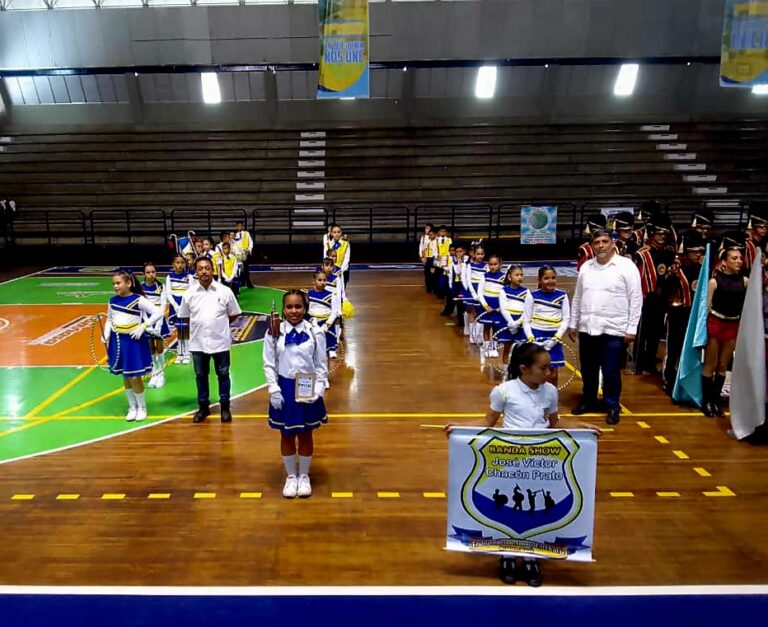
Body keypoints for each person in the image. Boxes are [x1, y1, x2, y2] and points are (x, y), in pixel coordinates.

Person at [445, 342, 601, 587]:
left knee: (534, 509)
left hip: (539, 461)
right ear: (523, 369)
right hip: (510, 461)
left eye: (549, 368)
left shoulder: (550, 392)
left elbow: (555, 423)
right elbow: (489, 421)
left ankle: (531, 557)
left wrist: (582, 428)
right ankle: (507, 556)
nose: (549, 373)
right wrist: (459, 427)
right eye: (544, 368)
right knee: (510, 510)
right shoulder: (504, 391)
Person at [568, 226, 643, 425]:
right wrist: (573, 323)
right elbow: (578, 298)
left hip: (614, 329)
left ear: (613, 243)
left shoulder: (626, 267)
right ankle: (589, 400)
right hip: (588, 327)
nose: (601, 246)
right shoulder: (586, 268)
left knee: (610, 370)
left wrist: (631, 328)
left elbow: (636, 299)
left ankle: (612, 405)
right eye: (596, 243)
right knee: (588, 368)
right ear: (591, 246)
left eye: (604, 242)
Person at [263, 290, 328, 499]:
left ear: (305, 308)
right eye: (289, 307)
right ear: (283, 309)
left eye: (298, 306)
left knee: (306, 433)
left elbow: (321, 364)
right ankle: (291, 476)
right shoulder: (274, 332)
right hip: (284, 388)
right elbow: (269, 363)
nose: (294, 311)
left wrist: (318, 390)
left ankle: (304, 476)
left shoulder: (315, 332)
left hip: (307, 386)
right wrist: (273, 388)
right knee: (287, 434)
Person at [178, 257, 242, 424]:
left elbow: (234, 314)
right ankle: (203, 407)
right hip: (198, 343)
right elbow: (185, 317)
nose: (204, 271)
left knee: (223, 374)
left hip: (220, 342)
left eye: (207, 268)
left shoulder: (225, 291)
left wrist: (218, 326)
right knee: (200, 375)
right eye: (200, 268)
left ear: (212, 269)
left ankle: (225, 407)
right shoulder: (189, 294)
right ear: (196, 271)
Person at [103, 270, 162, 422]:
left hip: (134, 342)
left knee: (135, 376)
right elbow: (109, 319)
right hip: (118, 341)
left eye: (118, 283)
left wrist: (143, 326)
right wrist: (106, 334)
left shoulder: (138, 299)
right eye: (114, 284)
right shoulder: (112, 301)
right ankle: (132, 406)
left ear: (128, 283)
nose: (115, 286)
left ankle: (142, 407)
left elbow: (157, 312)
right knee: (126, 375)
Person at [701, 235, 748, 417]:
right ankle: (706, 402)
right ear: (724, 261)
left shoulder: (744, 281)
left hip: (733, 324)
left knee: (723, 365)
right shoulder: (715, 281)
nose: (738, 261)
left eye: (740, 258)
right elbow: (707, 306)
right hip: (716, 322)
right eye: (734, 258)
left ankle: (715, 400)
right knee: (710, 364)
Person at [661, 233, 705, 396]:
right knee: (673, 348)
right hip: (678, 313)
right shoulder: (676, 271)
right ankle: (669, 379)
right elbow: (664, 291)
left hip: (696, 315)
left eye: (700, 252)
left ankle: (687, 379)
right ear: (686, 253)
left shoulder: (704, 270)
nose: (698, 255)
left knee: (694, 349)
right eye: (694, 252)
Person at [633, 214, 676, 375]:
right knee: (642, 331)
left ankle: (650, 362)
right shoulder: (642, 254)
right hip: (646, 298)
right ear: (651, 234)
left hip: (662, 298)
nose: (662, 237)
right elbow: (639, 278)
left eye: (664, 234)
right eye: (659, 234)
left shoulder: (667, 252)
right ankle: (638, 363)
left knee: (656, 331)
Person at [527, 265, 570, 387]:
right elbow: (526, 321)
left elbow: (566, 319)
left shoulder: (562, 295)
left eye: (553, 277)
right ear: (539, 280)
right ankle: (536, 399)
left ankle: (551, 400)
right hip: (537, 336)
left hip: (554, 337)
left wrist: (555, 339)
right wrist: (532, 339)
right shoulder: (532, 295)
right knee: (536, 370)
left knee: (552, 373)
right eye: (546, 278)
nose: (550, 281)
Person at [141, 262, 171, 389]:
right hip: (147, 321)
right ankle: (154, 373)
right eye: (148, 272)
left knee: (159, 348)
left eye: (153, 272)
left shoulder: (161, 287)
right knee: (150, 349)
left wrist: (158, 324)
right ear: (144, 274)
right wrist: (147, 324)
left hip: (159, 320)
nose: (151, 274)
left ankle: (161, 374)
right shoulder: (140, 288)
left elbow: (163, 305)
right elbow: (141, 307)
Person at [497, 264, 533, 367]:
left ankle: (517, 373)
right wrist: (511, 323)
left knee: (521, 350)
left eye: (521, 275)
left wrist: (518, 323)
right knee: (506, 349)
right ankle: (506, 371)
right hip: (507, 322)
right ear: (509, 277)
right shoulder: (503, 291)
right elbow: (503, 308)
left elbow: (528, 310)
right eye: (516, 275)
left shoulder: (526, 292)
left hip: (521, 323)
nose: (520, 277)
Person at [307, 269, 342, 364]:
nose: (323, 282)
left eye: (324, 280)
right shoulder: (308, 294)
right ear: (314, 281)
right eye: (320, 280)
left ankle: (331, 350)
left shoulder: (331, 295)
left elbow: (334, 312)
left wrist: (326, 325)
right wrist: (311, 322)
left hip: (326, 323)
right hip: (312, 322)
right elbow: (307, 310)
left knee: (327, 349)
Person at [477, 254, 505, 358]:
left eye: (495, 264)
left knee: (496, 327)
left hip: (498, 306)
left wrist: (501, 307)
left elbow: (505, 294)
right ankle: (486, 347)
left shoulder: (504, 277)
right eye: (491, 264)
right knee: (487, 327)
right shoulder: (484, 276)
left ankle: (493, 348)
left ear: (500, 264)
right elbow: (479, 292)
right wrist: (485, 306)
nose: (493, 266)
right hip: (486, 306)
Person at [166, 255, 193, 364]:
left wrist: (184, 305)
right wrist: (174, 305)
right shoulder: (169, 277)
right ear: (173, 264)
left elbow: (191, 291)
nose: (180, 265)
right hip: (175, 305)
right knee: (179, 329)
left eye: (182, 262)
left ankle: (187, 352)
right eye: (177, 262)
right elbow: (168, 292)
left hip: (185, 304)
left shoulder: (189, 276)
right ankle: (180, 352)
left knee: (185, 329)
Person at [464, 244, 489, 346]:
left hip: (482, 290)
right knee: (472, 313)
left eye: (482, 254)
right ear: (473, 254)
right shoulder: (470, 265)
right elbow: (468, 281)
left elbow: (487, 279)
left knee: (480, 314)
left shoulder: (486, 266)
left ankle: (479, 335)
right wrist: (474, 293)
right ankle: (472, 336)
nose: (480, 256)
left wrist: (482, 293)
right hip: (473, 290)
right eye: (478, 254)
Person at [234, 220, 255, 289]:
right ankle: (242, 282)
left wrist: (249, 249)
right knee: (239, 269)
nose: (239, 227)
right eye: (238, 226)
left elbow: (251, 242)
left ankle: (249, 283)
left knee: (246, 269)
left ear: (242, 227)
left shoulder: (246, 233)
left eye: (241, 226)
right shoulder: (235, 235)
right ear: (236, 227)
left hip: (245, 253)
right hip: (238, 255)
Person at [434, 225, 453, 299]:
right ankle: (439, 293)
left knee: (446, 275)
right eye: (441, 231)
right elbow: (434, 249)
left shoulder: (449, 240)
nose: (443, 233)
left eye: (444, 231)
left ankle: (446, 292)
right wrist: (436, 255)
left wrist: (448, 256)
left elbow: (451, 249)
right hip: (438, 259)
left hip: (446, 259)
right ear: (439, 232)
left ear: (446, 232)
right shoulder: (436, 239)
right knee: (438, 276)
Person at [418, 223, 435, 292]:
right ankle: (428, 287)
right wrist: (422, 257)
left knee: (433, 273)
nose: (426, 230)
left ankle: (434, 287)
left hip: (433, 257)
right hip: (426, 257)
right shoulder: (423, 237)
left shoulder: (435, 237)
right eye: (425, 228)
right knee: (427, 273)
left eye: (428, 228)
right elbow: (421, 247)